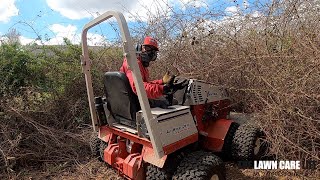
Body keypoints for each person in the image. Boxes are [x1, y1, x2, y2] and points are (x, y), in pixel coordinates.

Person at [120, 36, 184, 108]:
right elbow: (138, 87)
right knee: (171, 102)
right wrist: (163, 89)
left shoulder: (141, 64)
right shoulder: (132, 64)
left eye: (153, 50)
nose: (150, 53)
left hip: (135, 99)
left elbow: (144, 84)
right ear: (139, 48)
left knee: (169, 100)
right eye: (147, 48)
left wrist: (161, 82)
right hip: (135, 102)